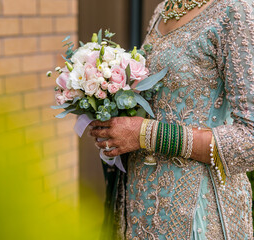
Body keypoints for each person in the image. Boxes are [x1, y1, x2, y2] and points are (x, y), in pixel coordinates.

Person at [90, 0, 254, 239]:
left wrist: (146, 134)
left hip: (198, 210)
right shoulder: (163, 9)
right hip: (139, 205)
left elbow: (250, 140)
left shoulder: (235, 10)